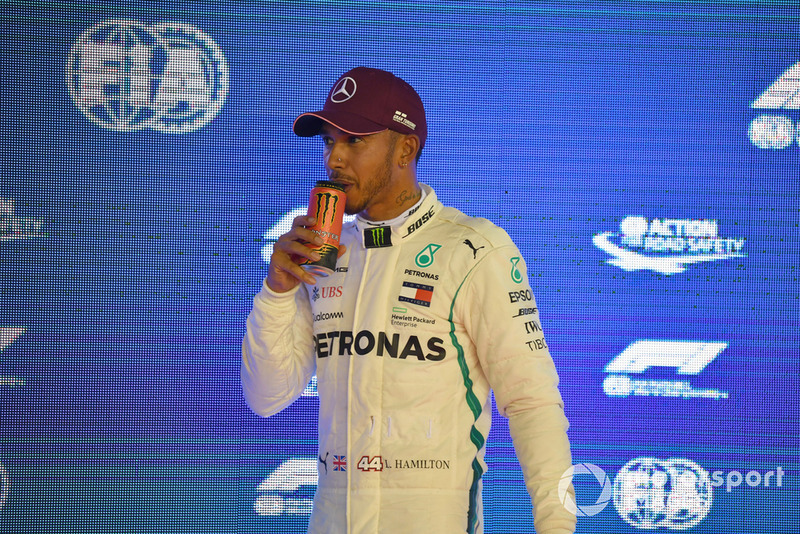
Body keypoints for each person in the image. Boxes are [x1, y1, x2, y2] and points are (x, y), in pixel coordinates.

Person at [242, 66, 576, 534]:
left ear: (405, 148)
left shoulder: (475, 249)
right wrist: (277, 291)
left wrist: (557, 527)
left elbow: (532, 402)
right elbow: (267, 398)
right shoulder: (322, 254)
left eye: (353, 141)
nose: (334, 158)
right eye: (328, 141)